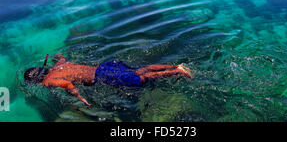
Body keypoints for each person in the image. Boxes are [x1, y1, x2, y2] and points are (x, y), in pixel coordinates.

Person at [24, 54, 192, 106]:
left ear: (37, 81)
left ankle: (177, 71)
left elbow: (67, 84)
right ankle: (175, 66)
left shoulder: (47, 81)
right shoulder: (57, 67)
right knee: (142, 70)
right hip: (103, 67)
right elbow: (62, 58)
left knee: (141, 79)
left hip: (102, 77)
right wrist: (58, 57)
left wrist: (80, 98)